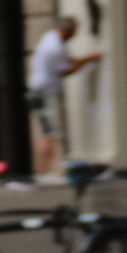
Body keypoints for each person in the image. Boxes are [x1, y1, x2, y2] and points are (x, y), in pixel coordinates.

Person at [26, 15, 100, 177]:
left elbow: (68, 60)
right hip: (45, 93)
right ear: (66, 30)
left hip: (37, 91)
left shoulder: (50, 38)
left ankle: (44, 171)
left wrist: (86, 58)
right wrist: (89, 59)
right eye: (73, 32)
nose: (74, 35)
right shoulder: (55, 47)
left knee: (45, 132)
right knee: (49, 134)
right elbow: (67, 70)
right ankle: (44, 173)